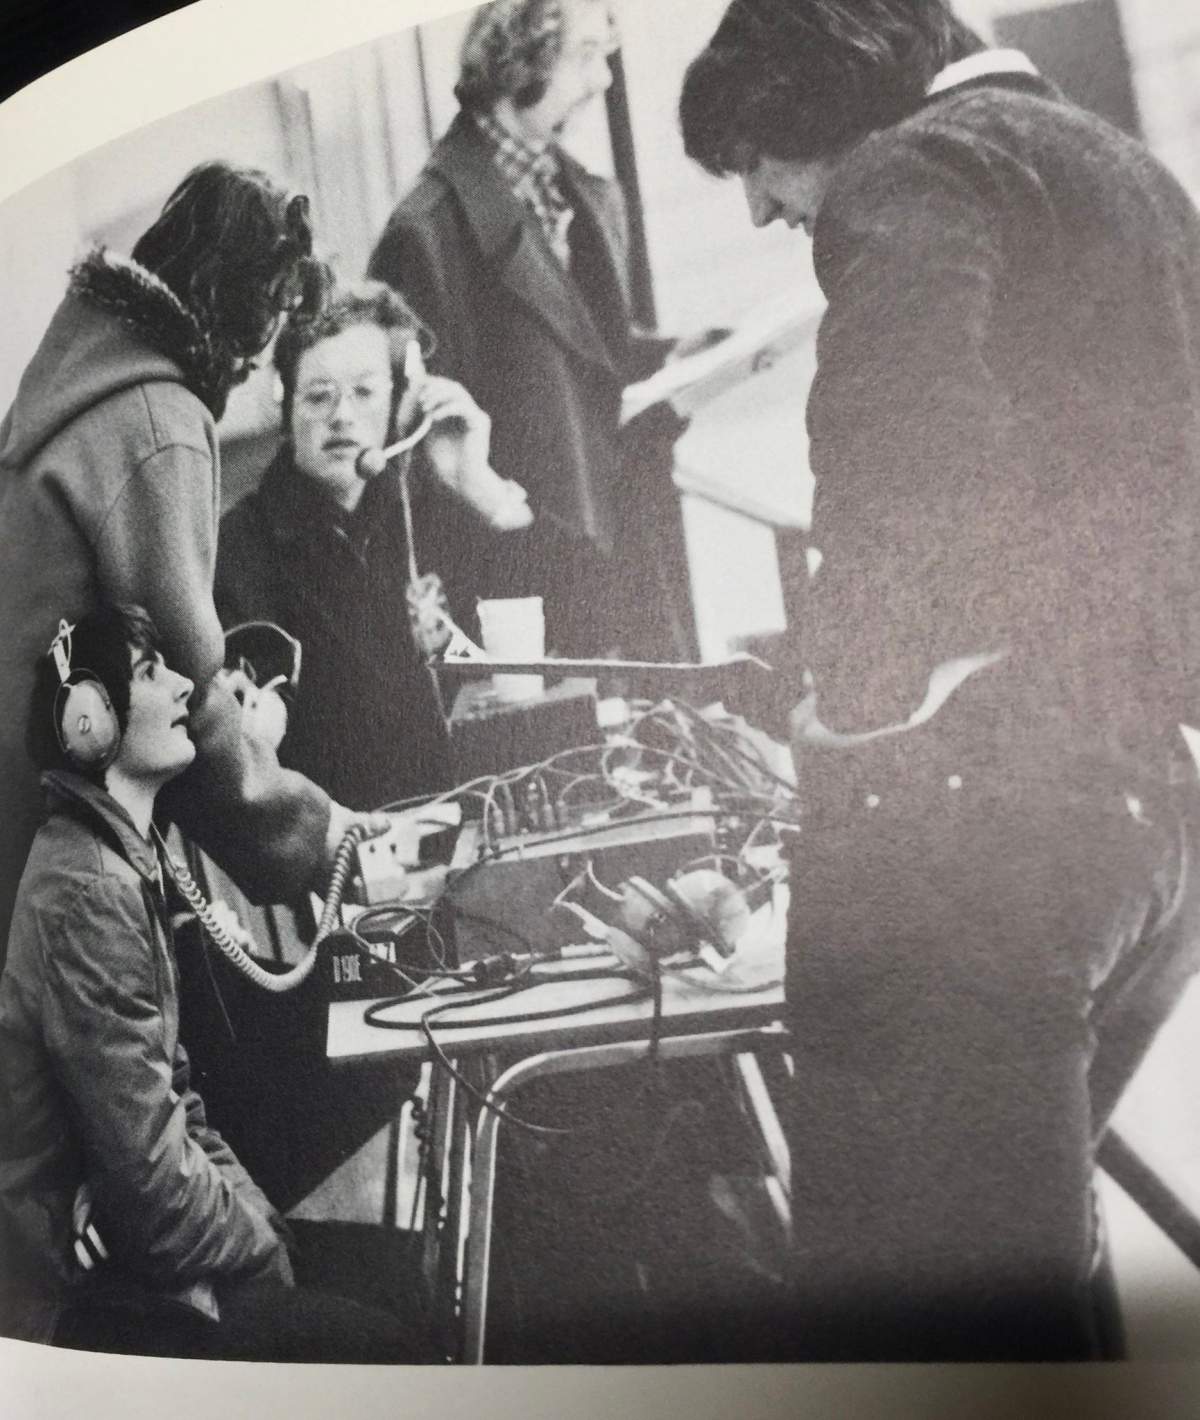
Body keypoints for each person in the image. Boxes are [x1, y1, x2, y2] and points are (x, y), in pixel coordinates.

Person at [679, 0, 1200, 1361]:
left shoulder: (916, 170)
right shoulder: (1125, 173)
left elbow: (905, 467)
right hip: (1149, 817)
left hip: (988, 843)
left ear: (822, 93)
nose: (753, 206)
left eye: (747, 151)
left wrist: (843, 702)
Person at [0, 605, 435, 1361]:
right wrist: (260, 1259)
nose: (181, 688)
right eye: (148, 672)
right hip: (70, 1292)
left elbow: (180, 1100)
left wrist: (262, 1228)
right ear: (88, 721)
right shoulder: (90, 891)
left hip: (125, 1249)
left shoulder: (123, 854)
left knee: (399, 1282)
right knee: (384, 1339)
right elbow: (149, 1185)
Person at [0, 161, 378, 967]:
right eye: (274, 310)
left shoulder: (84, 378)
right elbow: (188, 677)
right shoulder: (158, 419)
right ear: (237, 300)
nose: (266, 346)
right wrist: (317, 833)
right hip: (64, 854)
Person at [368, 0, 690, 657]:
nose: (603, 79)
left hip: (626, 542)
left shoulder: (590, 198)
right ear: (522, 63)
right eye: (586, 55)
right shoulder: (424, 234)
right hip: (528, 586)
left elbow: (591, 355)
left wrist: (689, 355)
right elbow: (427, 460)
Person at [215, 278, 529, 811]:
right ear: (285, 406)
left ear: (402, 400)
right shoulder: (241, 550)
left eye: (364, 392)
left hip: (478, 813)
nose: (341, 415)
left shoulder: (434, 508)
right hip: (347, 850)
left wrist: (482, 488)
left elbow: (551, 637)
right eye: (318, 395)